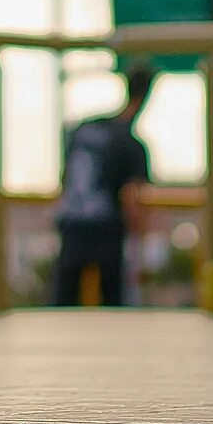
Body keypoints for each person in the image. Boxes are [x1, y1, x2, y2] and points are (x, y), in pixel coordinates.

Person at [52, 62, 154, 306]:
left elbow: (65, 177)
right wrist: (141, 248)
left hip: (72, 220)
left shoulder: (86, 128)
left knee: (64, 301)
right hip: (105, 225)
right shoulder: (132, 144)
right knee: (113, 305)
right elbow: (132, 199)